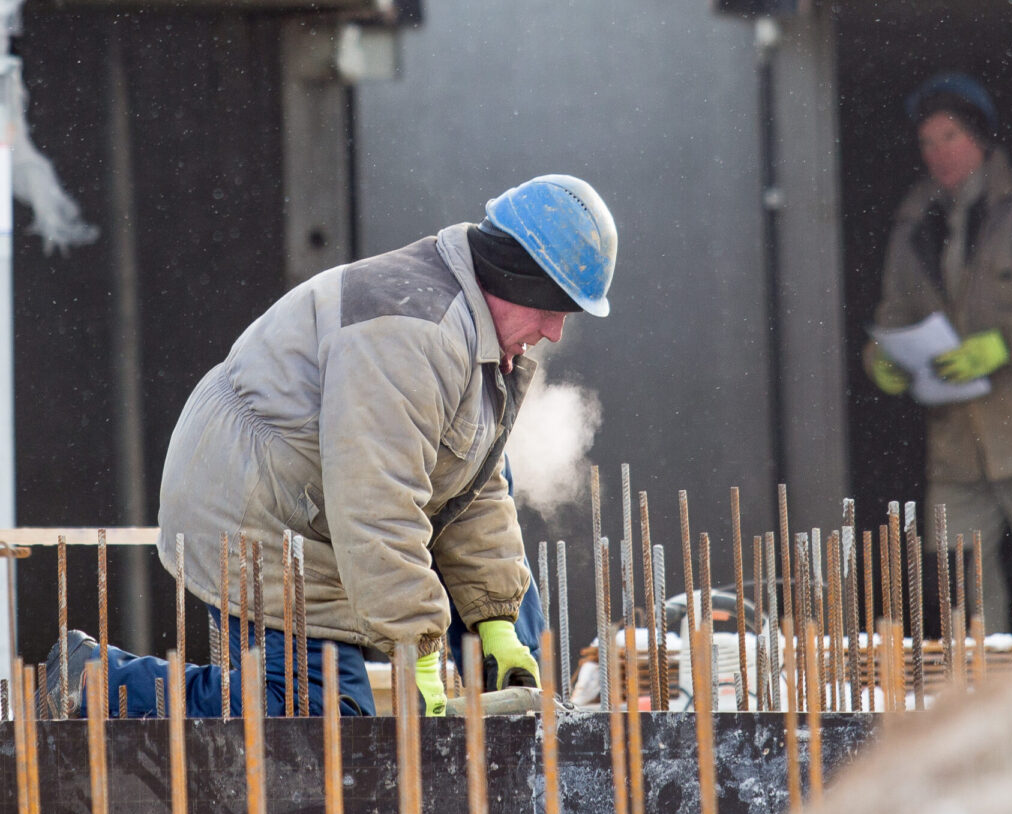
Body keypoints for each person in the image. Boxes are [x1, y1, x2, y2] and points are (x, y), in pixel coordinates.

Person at [45, 174, 617, 718]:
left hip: (319, 495)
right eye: (552, 309)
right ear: (516, 279)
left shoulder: (476, 337)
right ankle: (95, 682)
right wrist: (416, 649)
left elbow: (473, 486)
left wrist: (495, 620)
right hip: (257, 507)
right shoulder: (412, 334)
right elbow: (377, 505)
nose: (555, 333)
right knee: (314, 720)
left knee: (509, 660)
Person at [863, 72, 1012, 632]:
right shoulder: (913, 222)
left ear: (982, 138)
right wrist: (882, 359)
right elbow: (893, 314)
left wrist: (1004, 343)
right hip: (956, 442)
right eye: (926, 142)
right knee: (957, 594)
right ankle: (974, 702)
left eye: (949, 136)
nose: (937, 153)